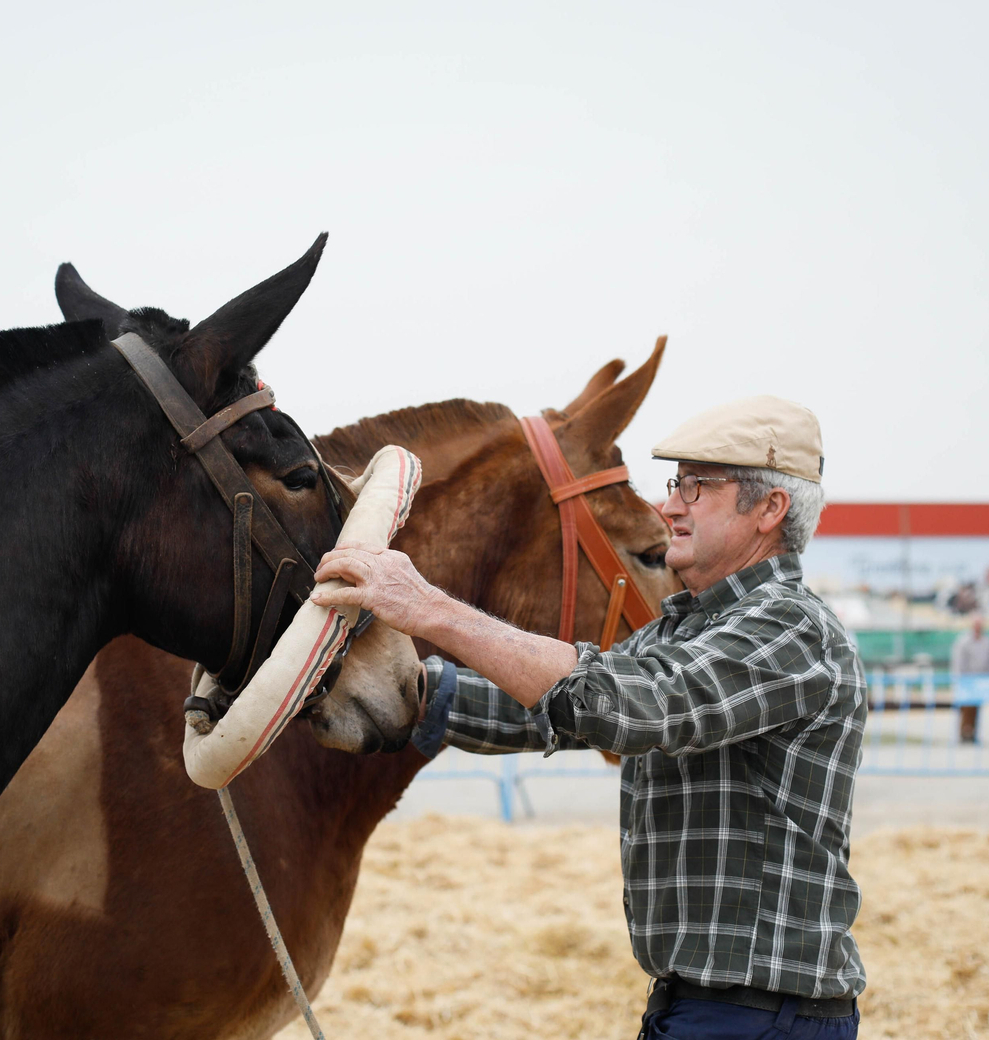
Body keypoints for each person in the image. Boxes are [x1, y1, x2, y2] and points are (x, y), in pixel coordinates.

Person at [313, 395, 864, 1040]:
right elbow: (551, 712)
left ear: (770, 509)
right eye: (675, 483)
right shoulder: (682, 635)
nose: (671, 505)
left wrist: (428, 608)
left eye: (698, 486)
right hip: (709, 1010)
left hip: (760, 1016)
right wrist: (390, 685)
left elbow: (630, 704)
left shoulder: (792, 629)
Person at [949, 615, 989, 743]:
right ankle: (964, 734)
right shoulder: (963, 641)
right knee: (965, 709)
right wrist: (959, 680)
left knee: (976, 708)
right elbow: (958, 662)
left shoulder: (987, 641)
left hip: (980, 681)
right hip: (966, 681)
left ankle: (973, 733)